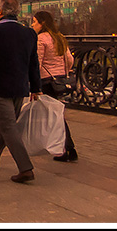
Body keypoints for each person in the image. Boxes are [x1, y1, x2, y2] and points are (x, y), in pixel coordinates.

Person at [0, 0, 41, 184]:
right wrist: (35, 86)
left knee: (7, 126)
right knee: (7, 123)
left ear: (0, 12)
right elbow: (33, 63)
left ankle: (25, 168)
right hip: (20, 86)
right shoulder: (28, 33)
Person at [33, 10, 78, 162]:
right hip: (60, 80)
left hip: (47, 81)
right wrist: (62, 71)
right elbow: (70, 59)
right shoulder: (59, 37)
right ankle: (66, 148)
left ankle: (67, 148)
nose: (32, 25)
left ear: (42, 23)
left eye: (34, 22)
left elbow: (37, 64)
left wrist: (33, 84)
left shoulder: (40, 39)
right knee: (58, 115)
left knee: (55, 117)